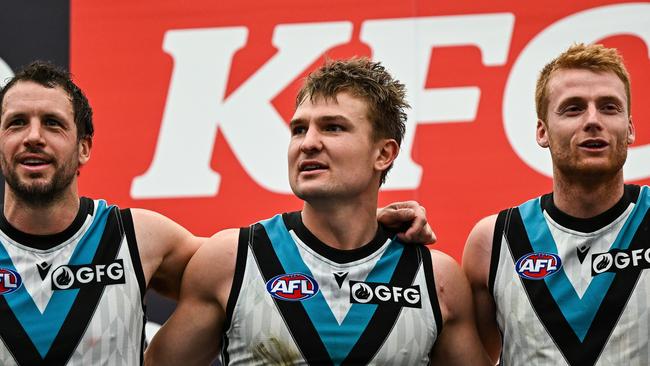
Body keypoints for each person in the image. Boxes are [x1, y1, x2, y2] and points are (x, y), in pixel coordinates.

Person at [0, 61, 434, 365]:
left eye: (53, 124)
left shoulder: (141, 239)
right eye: (16, 123)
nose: (33, 137)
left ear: (84, 147)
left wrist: (365, 236)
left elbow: (276, 265)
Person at [146, 57, 489, 365]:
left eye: (332, 127)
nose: (308, 142)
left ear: (383, 154)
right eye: (299, 129)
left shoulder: (437, 279)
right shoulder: (231, 258)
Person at [463, 43, 648, 366]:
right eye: (573, 108)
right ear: (542, 131)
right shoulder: (492, 242)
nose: (593, 120)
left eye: (609, 107)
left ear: (630, 128)